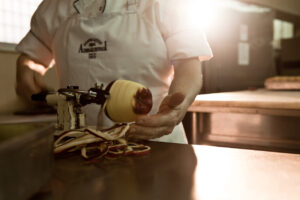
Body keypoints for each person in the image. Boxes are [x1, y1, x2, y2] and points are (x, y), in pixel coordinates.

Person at [16, 0, 213, 144]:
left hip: (157, 143)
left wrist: (176, 108)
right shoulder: (55, 6)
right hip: (79, 146)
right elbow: (32, 58)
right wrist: (26, 70)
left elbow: (189, 66)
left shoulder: (169, 4)